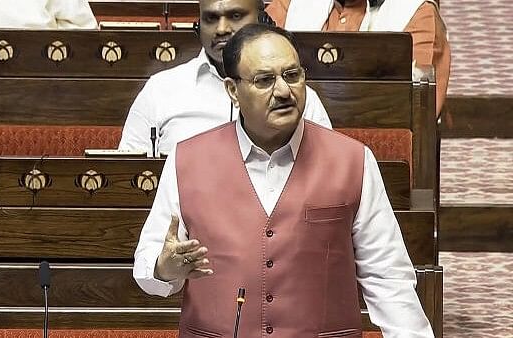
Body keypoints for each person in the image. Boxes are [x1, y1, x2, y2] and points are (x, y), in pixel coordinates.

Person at [133, 24, 434, 338]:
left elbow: (387, 275)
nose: (283, 91)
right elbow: (148, 263)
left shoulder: (353, 161)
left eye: (292, 75)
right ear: (233, 91)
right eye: (264, 80)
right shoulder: (186, 160)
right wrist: (163, 269)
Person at [118, 0, 331, 155]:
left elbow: (326, 165)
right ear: (198, 26)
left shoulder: (297, 97)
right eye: (210, 19)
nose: (221, 29)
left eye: (235, 16)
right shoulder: (160, 90)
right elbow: (131, 175)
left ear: (263, 21)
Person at [265, 0, 450, 116]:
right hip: (290, 135)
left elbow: (416, 107)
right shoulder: (291, 4)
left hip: (373, 146)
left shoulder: (416, 12)